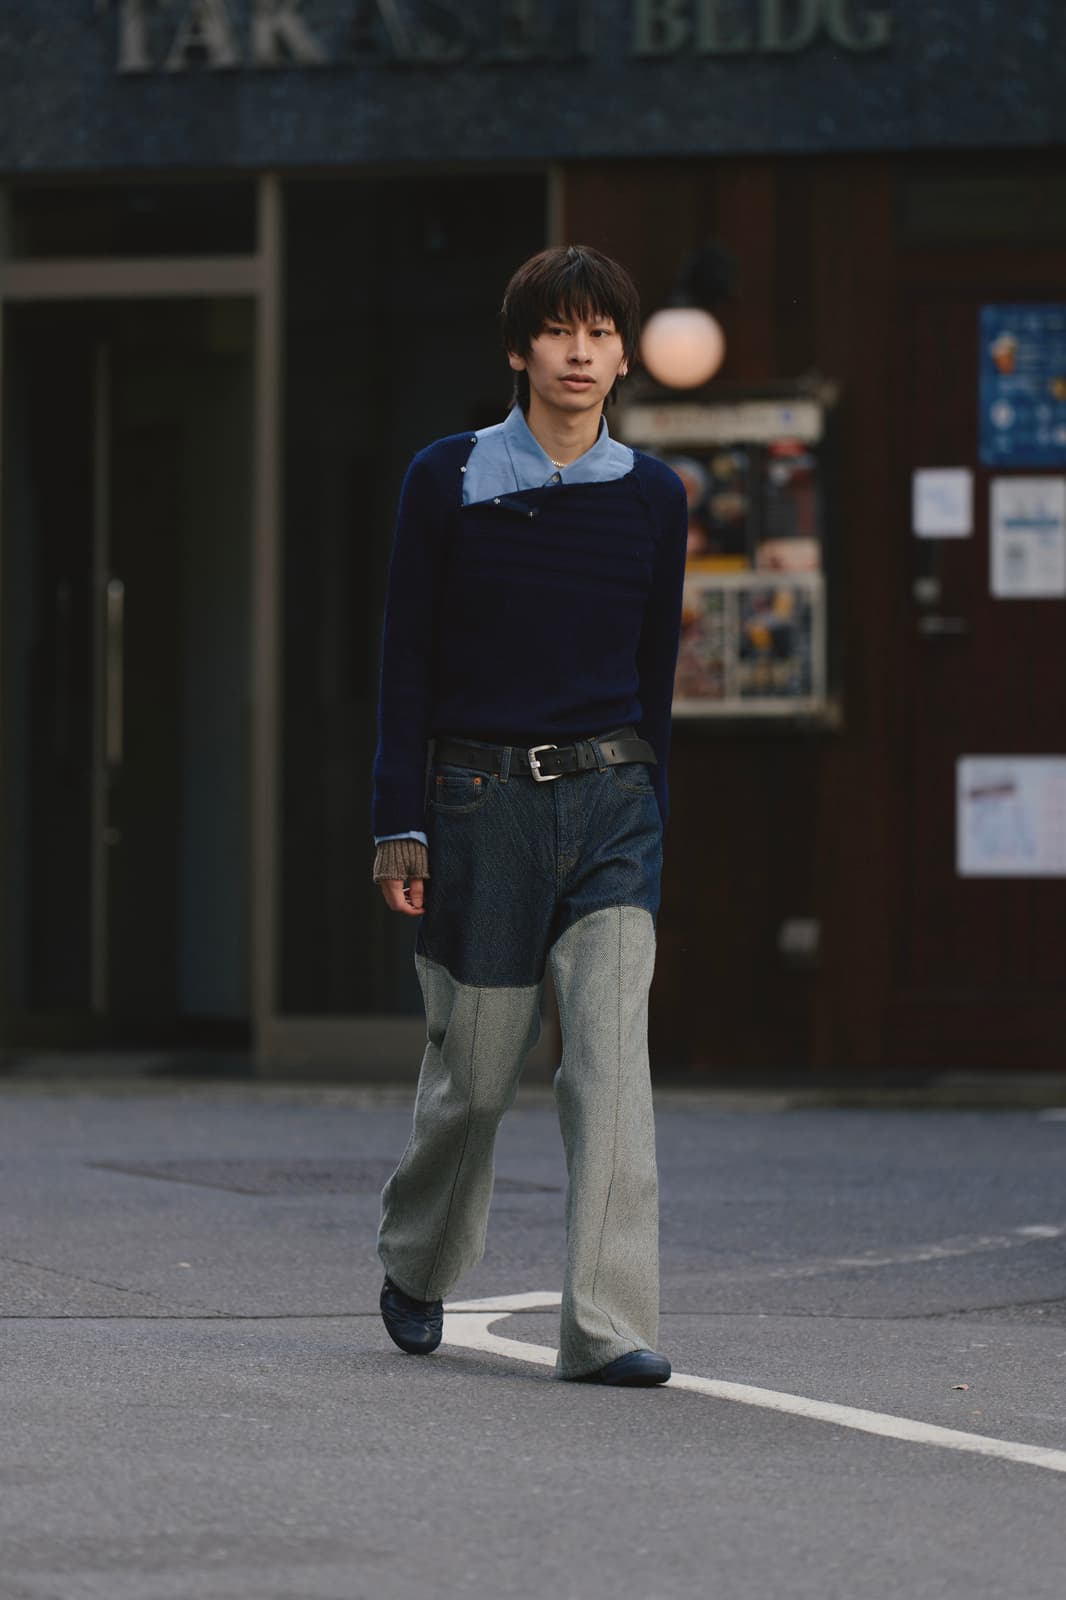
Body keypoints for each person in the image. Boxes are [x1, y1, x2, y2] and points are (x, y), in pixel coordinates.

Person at [371, 244, 687, 1386]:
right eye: (559, 331)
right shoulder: (443, 478)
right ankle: (416, 1260)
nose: (580, 352)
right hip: (476, 801)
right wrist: (395, 822)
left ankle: (606, 1325)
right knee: (478, 1075)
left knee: (611, 1068)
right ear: (519, 349)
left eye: (601, 333)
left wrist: (656, 820)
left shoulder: (656, 497)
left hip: (612, 804)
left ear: (621, 353)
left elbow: (653, 683)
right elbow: (404, 660)